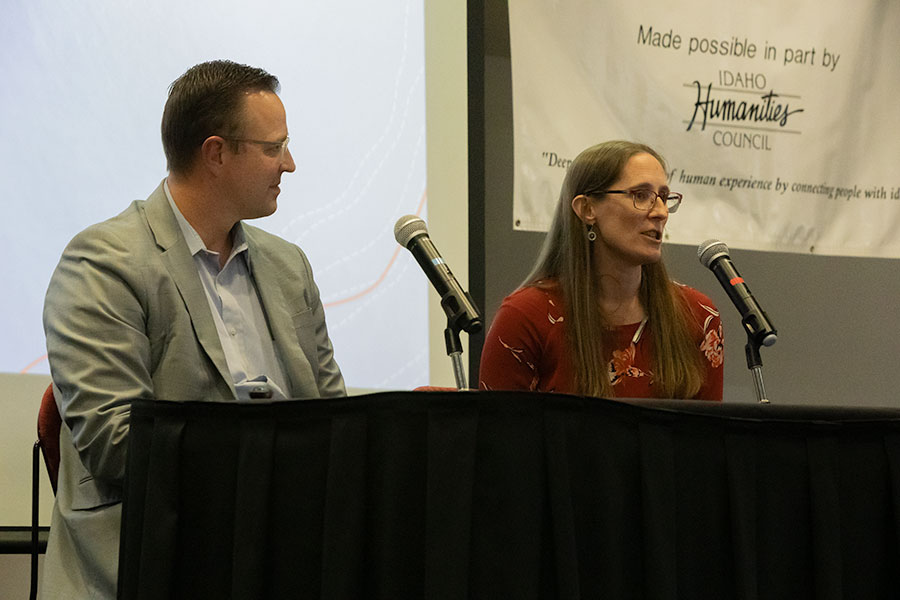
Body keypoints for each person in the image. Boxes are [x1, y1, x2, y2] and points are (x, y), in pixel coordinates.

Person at [40, 60, 345, 599]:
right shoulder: (104, 263)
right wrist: (267, 463)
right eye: (273, 147)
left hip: (282, 556)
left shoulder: (288, 266)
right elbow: (118, 446)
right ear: (216, 154)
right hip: (155, 561)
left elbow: (336, 420)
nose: (290, 164)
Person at [479, 140, 723, 400]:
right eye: (641, 195)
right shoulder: (526, 317)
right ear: (587, 209)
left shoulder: (698, 316)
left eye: (663, 197)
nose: (661, 212)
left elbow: (707, 438)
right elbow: (498, 437)